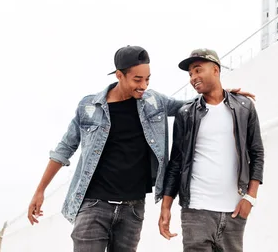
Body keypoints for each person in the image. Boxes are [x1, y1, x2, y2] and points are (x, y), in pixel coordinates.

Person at [27, 45, 253, 252]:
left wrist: (225, 95)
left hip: (133, 209)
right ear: (119, 75)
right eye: (137, 79)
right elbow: (64, 148)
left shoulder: (154, 101)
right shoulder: (89, 107)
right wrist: (40, 191)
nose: (143, 86)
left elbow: (190, 106)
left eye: (147, 79)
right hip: (94, 204)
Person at [159, 48, 264, 252]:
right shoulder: (186, 113)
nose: (193, 78)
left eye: (198, 70)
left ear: (215, 70)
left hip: (234, 210)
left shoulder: (244, 107)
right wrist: (166, 207)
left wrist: (250, 197)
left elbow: (257, 153)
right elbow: (177, 162)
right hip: (196, 209)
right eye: (190, 74)